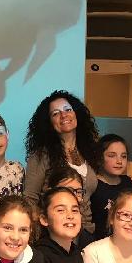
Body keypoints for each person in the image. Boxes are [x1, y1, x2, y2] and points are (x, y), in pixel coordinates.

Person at [24, 90, 99, 233]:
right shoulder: (41, 156)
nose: (64, 115)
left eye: (68, 109)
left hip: (87, 232)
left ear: (77, 113)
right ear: (49, 123)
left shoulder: (90, 152)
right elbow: (30, 200)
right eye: (55, 113)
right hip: (54, 233)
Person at [91, 134, 132, 240]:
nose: (119, 161)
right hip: (98, 242)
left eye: (123, 156)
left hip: (125, 239)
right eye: (112, 156)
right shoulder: (93, 184)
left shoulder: (127, 183)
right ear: (99, 158)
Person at [45, 166, 95, 248]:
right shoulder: (38, 249)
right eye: (68, 190)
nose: (74, 197)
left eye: (79, 192)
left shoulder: (87, 241)